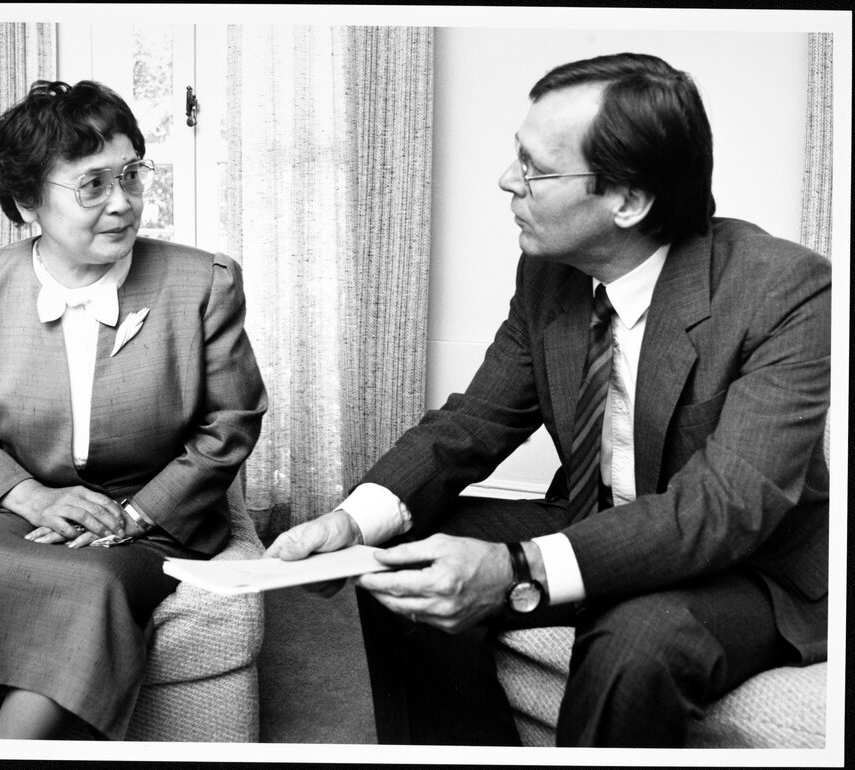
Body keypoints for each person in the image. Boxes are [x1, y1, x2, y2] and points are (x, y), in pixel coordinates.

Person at [266, 52, 830, 747]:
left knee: (635, 641)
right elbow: (473, 423)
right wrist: (351, 524)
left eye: (534, 168)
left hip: (746, 565)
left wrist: (519, 566)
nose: (508, 180)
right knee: (401, 554)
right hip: (595, 514)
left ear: (628, 200)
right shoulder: (548, 274)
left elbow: (724, 508)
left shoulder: (784, 289)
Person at [0, 80, 267, 740]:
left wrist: (133, 516)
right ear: (26, 201)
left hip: (153, 512)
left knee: (90, 582)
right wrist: (32, 498)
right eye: (92, 185)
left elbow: (230, 423)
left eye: (130, 175)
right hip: (21, 507)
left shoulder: (203, 282)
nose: (123, 203)